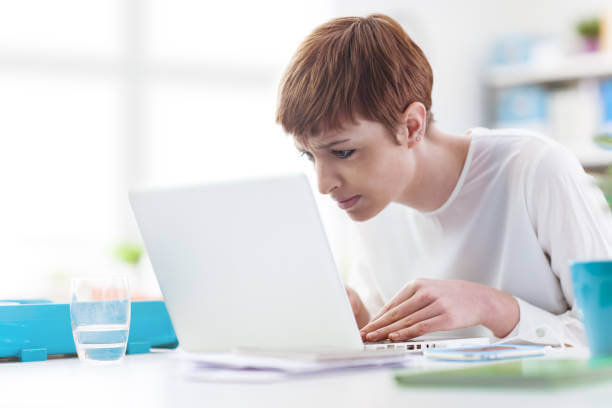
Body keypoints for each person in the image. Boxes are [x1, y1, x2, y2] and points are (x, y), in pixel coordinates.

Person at [275, 14, 612, 346]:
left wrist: (493, 308)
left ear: (411, 127)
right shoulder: (369, 202)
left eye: (344, 152)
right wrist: (359, 319)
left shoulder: (536, 168)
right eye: (310, 155)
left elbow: (605, 337)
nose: (323, 184)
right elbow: (398, 349)